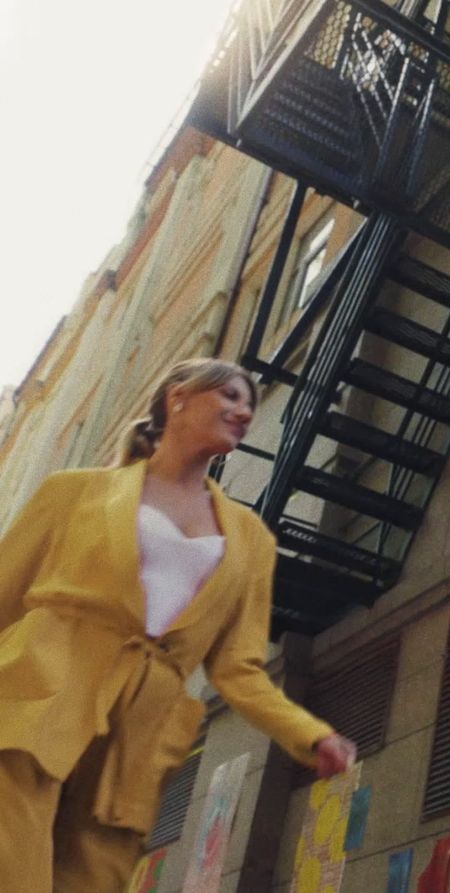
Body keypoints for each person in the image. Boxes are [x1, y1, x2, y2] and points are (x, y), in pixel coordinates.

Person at [0, 358, 358, 891]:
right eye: (232, 397)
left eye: (250, 406)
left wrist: (310, 733)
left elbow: (239, 669)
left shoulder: (250, 540)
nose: (242, 412)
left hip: (142, 726)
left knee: (92, 875)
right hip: (41, 689)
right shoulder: (72, 492)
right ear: (178, 398)